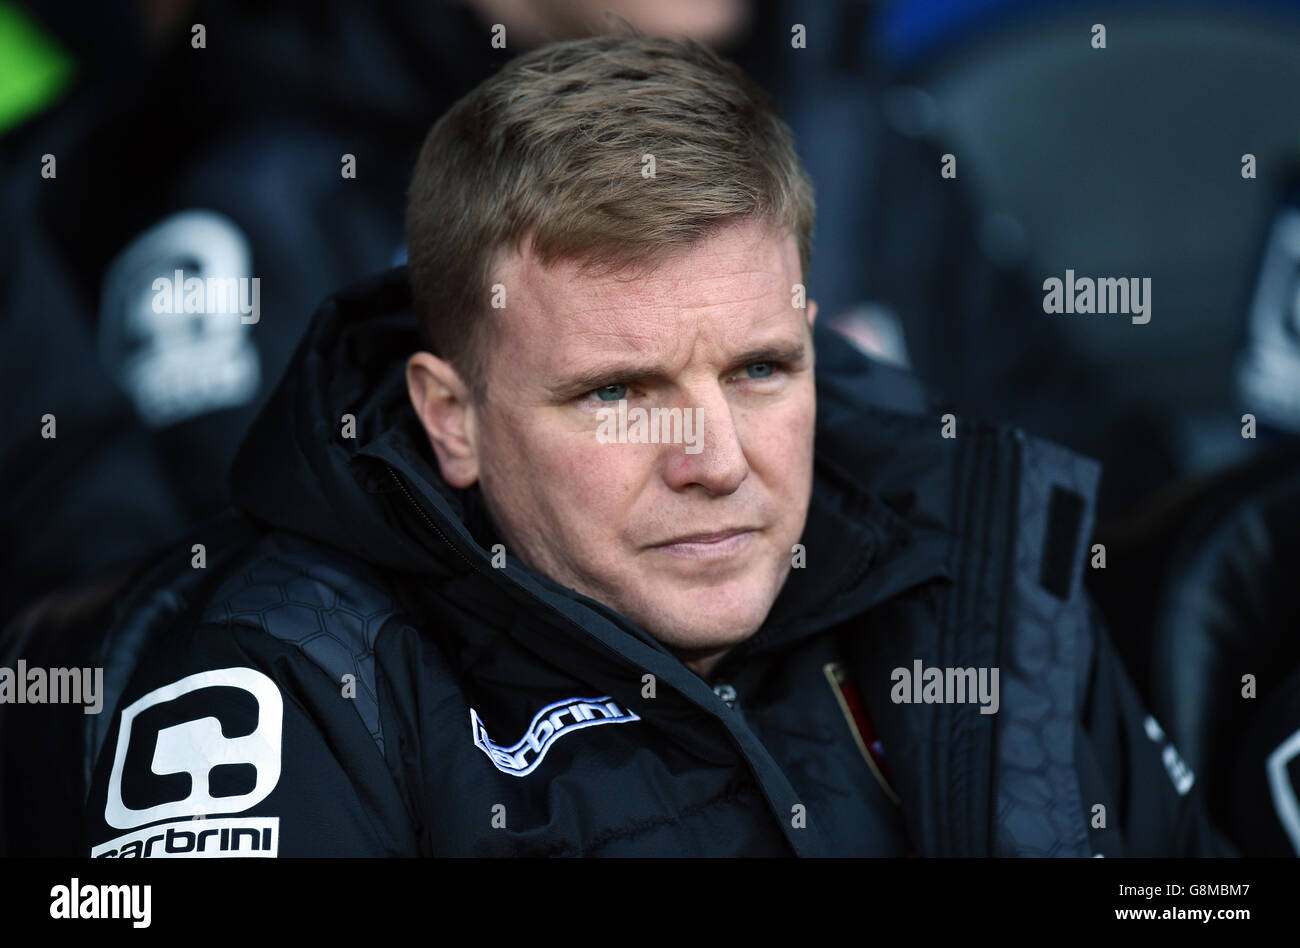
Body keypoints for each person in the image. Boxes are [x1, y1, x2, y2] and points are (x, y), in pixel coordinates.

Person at [59, 33, 1232, 857]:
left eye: (760, 371)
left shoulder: (978, 572)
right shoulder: (293, 688)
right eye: (620, 393)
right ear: (448, 415)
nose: (716, 458)